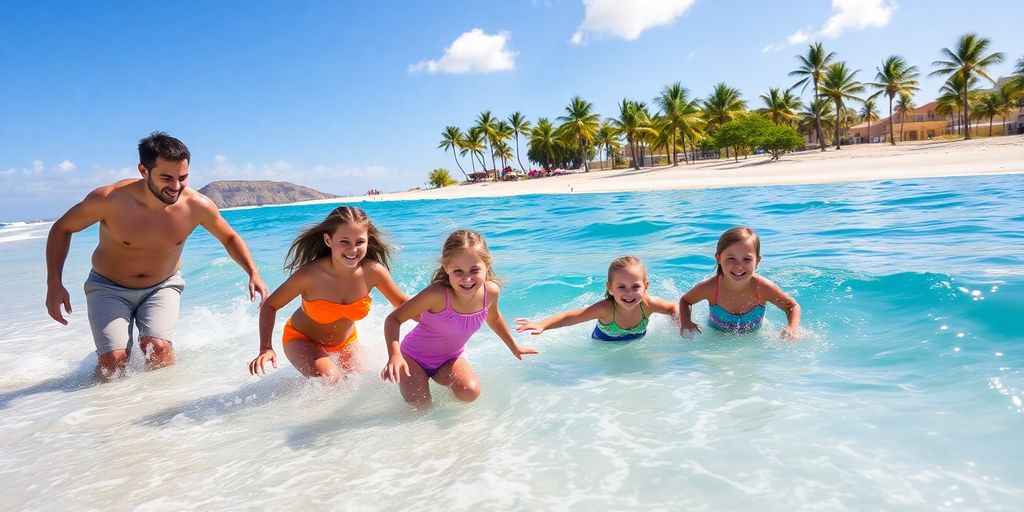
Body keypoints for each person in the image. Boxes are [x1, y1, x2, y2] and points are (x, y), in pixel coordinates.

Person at [45, 132, 268, 380]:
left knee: (158, 348)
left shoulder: (197, 205)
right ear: (143, 170)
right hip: (108, 287)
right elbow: (62, 228)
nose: (176, 187)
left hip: (162, 286)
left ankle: (165, 412)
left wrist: (253, 272)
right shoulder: (109, 200)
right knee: (113, 361)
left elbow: (229, 237)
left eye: (182, 178)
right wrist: (54, 283)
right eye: (166, 178)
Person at [380, 229, 537, 408]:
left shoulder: (490, 292)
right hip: (413, 357)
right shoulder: (437, 295)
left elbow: (493, 319)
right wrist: (395, 356)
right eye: (458, 271)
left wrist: (513, 346)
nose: (467, 278)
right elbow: (393, 319)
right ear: (447, 268)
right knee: (421, 405)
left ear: (487, 264)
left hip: (448, 360)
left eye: (474, 270)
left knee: (470, 393)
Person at [248, 206, 407, 382]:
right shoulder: (310, 275)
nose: (353, 250)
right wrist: (266, 348)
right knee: (330, 378)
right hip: (302, 340)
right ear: (328, 240)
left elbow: (402, 303)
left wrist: (439, 314)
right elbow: (271, 305)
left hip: (347, 343)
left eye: (359, 242)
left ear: (368, 240)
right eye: (344, 241)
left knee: (361, 383)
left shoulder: (374, 272)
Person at [515, 256, 678, 341]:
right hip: (604, 346)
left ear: (646, 286)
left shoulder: (648, 305)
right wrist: (542, 325)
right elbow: (571, 317)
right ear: (610, 288)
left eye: (635, 287)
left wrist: (682, 326)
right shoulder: (605, 309)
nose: (629, 293)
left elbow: (673, 309)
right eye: (621, 287)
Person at [678, 226, 801, 338]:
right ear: (718, 258)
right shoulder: (711, 288)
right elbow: (685, 301)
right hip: (717, 337)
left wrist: (792, 328)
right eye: (731, 258)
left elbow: (792, 306)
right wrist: (686, 322)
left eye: (747, 259)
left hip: (753, 338)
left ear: (757, 261)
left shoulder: (762, 287)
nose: (739, 266)